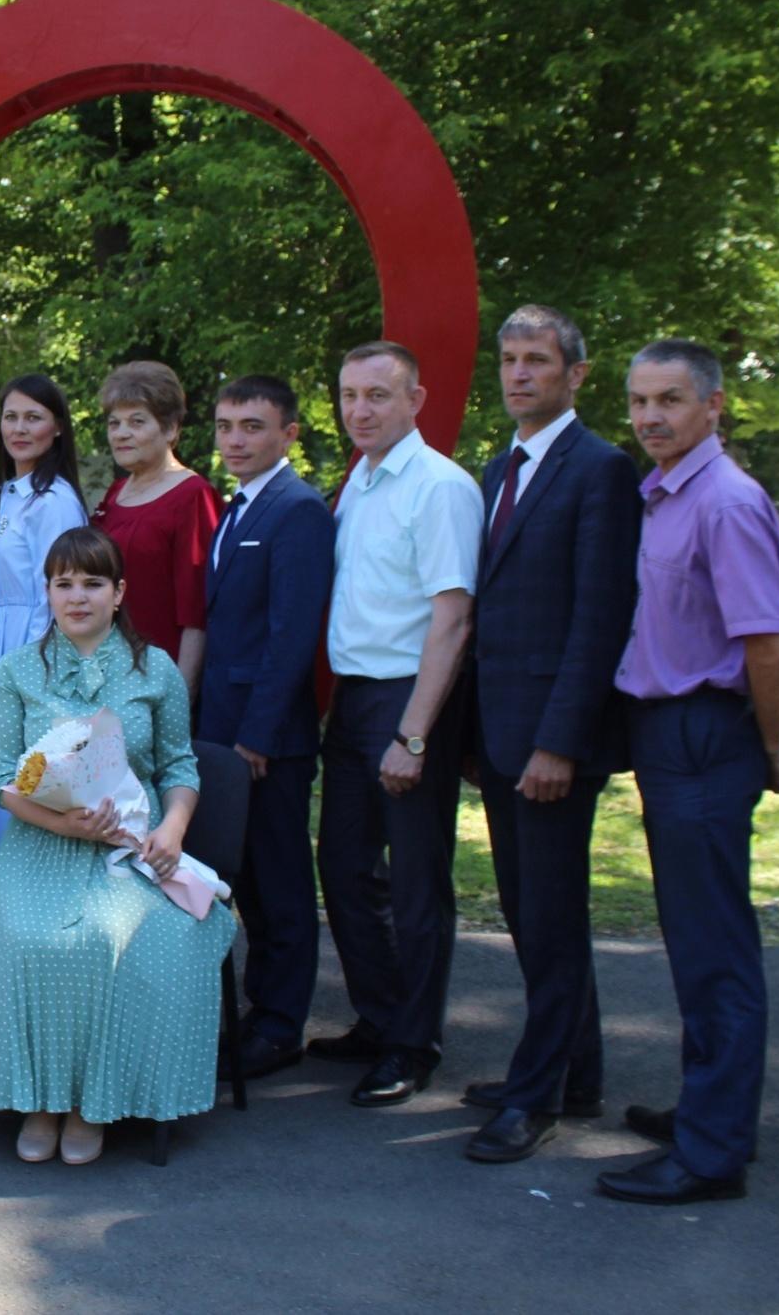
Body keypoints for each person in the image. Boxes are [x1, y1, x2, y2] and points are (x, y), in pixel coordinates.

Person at [0, 527, 231, 1166]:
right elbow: (0, 776)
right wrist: (61, 825)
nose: (77, 597)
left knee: (112, 939)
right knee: (12, 932)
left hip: (133, 849)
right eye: (64, 584)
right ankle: (38, 1099)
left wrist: (172, 829)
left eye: (93, 583)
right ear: (48, 593)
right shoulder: (17, 671)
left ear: (119, 592)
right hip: (40, 844)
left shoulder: (155, 668)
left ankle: (91, 1102)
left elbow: (179, 765)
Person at [598, 339, 779, 1207]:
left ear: (713, 404)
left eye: (670, 399)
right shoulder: (666, 492)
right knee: (693, 937)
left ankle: (712, 1155)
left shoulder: (726, 502)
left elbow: (774, 646)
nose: (650, 416)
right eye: (640, 400)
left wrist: (772, 743)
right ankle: (711, 1112)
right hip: (668, 731)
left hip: (707, 734)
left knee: (714, 946)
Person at [462, 307, 641, 1165]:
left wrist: (560, 743)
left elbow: (599, 618)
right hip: (502, 733)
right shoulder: (500, 467)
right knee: (529, 912)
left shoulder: (601, 469)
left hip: (551, 743)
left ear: (576, 373)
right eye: (508, 359)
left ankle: (533, 1096)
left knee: (552, 917)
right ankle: (577, 1073)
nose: (519, 373)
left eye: (537, 359)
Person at [315, 341, 483, 1109]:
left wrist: (414, 734)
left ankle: (414, 1044)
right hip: (355, 698)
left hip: (411, 700)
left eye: (378, 394)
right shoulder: (359, 480)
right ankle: (380, 1018)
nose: (360, 409)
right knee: (345, 869)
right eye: (350, 395)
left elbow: (453, 618)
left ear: (415, 400)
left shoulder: (439, 487)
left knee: (417, 882)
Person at [197, 374, 334, 1081]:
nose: (236, 440)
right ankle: (260, 1011)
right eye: (226, 426)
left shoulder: (299, 510)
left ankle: (281, 1026)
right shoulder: (238, 505)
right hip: (226, 729)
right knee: (246, 882)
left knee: (280, 885)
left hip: (267, 738)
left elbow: (291, 637)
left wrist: (256, 734)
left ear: (289, 434)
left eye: (252, 426)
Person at [0, 374, 88, 871]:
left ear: (57, 428)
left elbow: (60, 592)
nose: (19, 429)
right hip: (5, 632)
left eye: (33, 418)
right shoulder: (13, 492)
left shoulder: (53, 501)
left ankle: (20, 876)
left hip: (34, 642)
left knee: (25, 759)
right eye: (11, 417)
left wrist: (38, 665)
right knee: (0, 758)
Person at [93, 361, 220, 698]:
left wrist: (180, 696)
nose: (121, 433)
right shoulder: (115, 493)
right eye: (114, 423)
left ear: (171, 429)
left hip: (157, 682)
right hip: (106, 674)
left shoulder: (193, 496)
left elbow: (196, 612)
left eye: (137, 422)